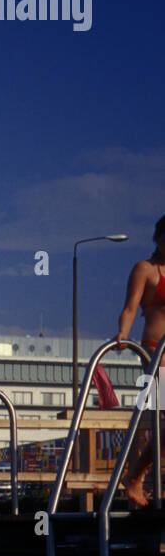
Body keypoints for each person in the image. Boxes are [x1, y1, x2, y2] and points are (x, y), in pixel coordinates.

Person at [113, 214, 165, 506]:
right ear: (158, 238)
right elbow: (130, 307)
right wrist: (122, 333)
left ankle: (136, 475)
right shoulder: (145, 269)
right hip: (157, 351)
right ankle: (136, 476)